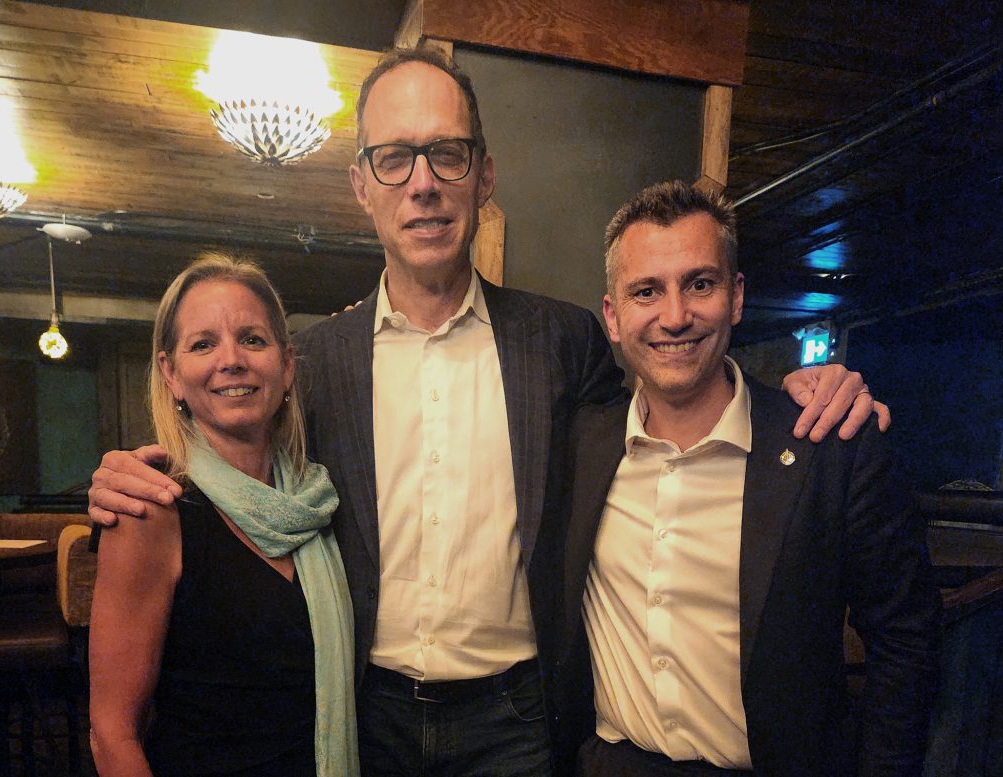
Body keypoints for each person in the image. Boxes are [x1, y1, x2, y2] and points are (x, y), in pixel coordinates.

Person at [88, 47, 886, 777]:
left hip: (518, 717)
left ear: (484, 175)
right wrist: (134, 470)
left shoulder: (563, 340)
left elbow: (671, 389)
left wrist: (796, 392)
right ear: (362, 185)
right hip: (366, 714)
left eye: (448, 153)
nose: (424, 183)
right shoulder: (317, 362)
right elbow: (243, 451)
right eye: (394, 159)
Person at [558, 181, 941, 776]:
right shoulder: (581, 445)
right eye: (646, 292)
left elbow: (906, 643)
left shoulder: (831, 445)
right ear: (613, 316)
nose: (675, 316)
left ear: (735, 297)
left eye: (700, 284)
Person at [88, 254, 358, 777]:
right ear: (171, 374)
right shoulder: (151, 508)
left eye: (253, 339)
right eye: (203, 343)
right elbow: (111, 733)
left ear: (286, 365)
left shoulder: (318, 504)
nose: (231, 360)